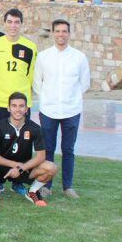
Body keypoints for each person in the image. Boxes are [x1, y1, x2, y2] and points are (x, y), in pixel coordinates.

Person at [33, 19, 90, 199]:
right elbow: (37, 83)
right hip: (49, 110)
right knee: (47, 149)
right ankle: (46, 186)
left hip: (71, 110)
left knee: (68, 150)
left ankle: (68, 186)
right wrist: (47, 99)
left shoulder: (79, 57)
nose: (61, 35)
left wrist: (71, 99)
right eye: (57, 31)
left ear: (69, 34)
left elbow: (85, 83)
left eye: (64, 31)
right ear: (53, 33)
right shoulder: (43, 57)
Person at [0, 92, 58, 207]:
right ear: (8, 108)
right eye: (14, 106)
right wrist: (15, 165)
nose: (18, 109)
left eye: (21, 106)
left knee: (51, 168)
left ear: (26, 109)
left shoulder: (35, 128)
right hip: (2, 167)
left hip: (24, 167)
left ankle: (33, 191)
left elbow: (41, 156)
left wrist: (20, 168)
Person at [0, 8, 36, 133]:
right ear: (4, 23)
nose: (13, 25)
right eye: (9, 22)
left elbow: (31, 76)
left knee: (21, 144)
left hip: (21, 104)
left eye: (16, 22)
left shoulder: (31, 47)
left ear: (21, 24)